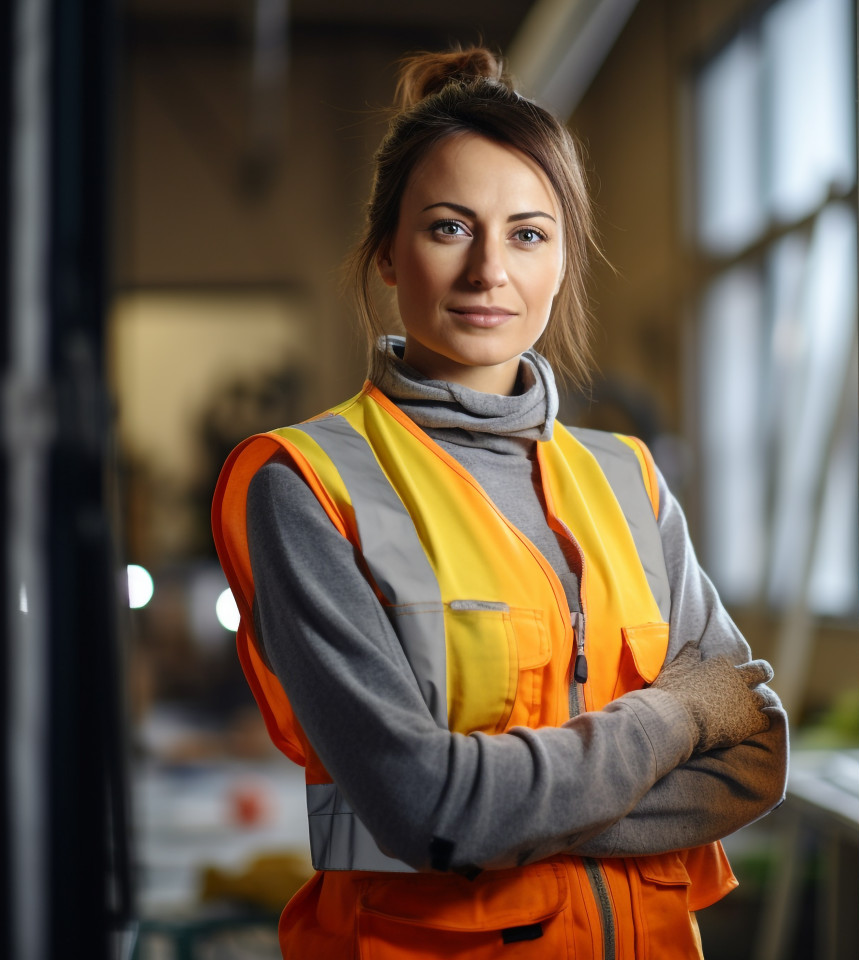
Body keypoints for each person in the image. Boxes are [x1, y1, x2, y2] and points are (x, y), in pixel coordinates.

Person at [212, 47, 788, 960]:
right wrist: (676, 718)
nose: (491, 270)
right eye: (449, 228)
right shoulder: (307, 486)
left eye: (528, 234)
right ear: (388, 255)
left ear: (562, 263)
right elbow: (424, 805)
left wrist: (495, 814)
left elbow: (757, 756)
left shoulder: (627, 480)